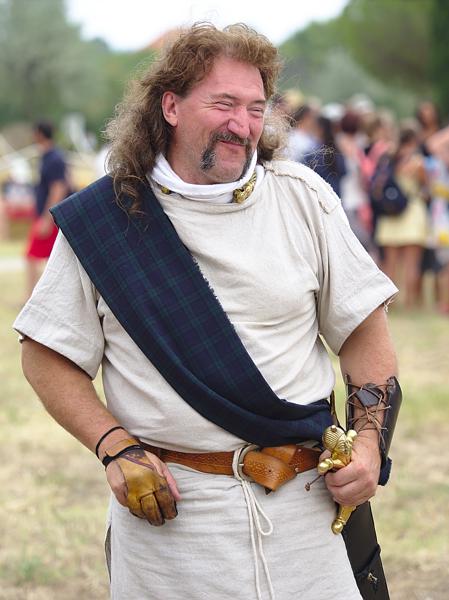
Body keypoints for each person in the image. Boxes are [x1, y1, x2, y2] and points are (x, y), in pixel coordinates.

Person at [14, 24, 401, 600]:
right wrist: (114, 445)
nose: (242, 124)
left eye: (255, 108)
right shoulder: (105, 220)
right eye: (223, 104)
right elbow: (46, 354)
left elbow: (364, 332)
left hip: (305, 514)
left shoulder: (303, 197)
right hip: (172, 525)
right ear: (170, 106)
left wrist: (368, 446)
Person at [24, 120, 70, 298]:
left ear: (39, 134)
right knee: (51, 259)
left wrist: (47, 218)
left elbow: (59, 187)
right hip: (47, 214)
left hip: (49, 216)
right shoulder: (50, 156)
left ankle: (31, 297)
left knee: (32, 257)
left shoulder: (54, 158)